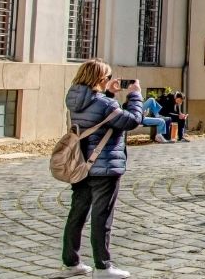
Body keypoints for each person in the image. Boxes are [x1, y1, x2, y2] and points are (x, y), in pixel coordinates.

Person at [58, 59, 143, 279]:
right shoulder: (104, 104)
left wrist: (111, 95)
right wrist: (134, 95)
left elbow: (102, 119)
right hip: (104, 167)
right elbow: (132, 121)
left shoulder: (75, 99)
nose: (109, 80)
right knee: (101, 217)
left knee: (77, 214)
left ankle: (70, 262)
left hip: (81, 165)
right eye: (106, 77)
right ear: (99, 79)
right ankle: (103, 267)